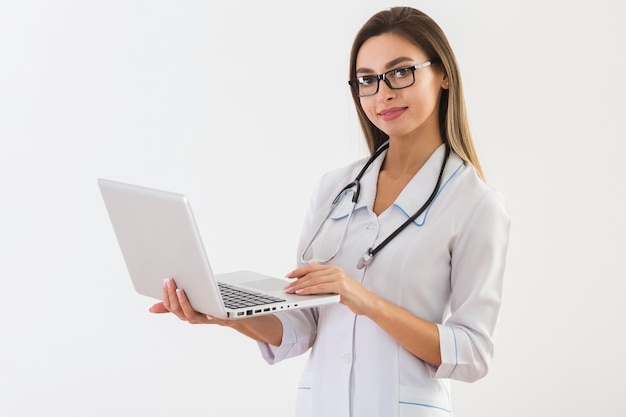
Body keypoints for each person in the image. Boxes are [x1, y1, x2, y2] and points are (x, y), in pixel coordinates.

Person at [150, 6, 510, 416]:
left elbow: (474, 353)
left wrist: (365, 300)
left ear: (443, 73)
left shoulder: (476, 204)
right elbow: (305, 327)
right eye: (367, 80)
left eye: (401, 72)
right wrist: (224, 314)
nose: (383, 93)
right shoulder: (334, 189)